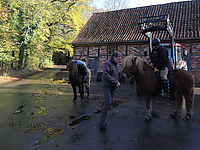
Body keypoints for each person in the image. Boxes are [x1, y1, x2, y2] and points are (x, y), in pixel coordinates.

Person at [99, 51, 122, 131]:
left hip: (112, 87)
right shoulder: (107, 63)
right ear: (114, 57)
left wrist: (116, 84)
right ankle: (102, 122)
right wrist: (115, 82)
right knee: (108, 102)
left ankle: (103, 118)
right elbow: (106, 74)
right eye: (118, 59)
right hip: (107, 86)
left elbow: (115, 75)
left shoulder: (116, 64)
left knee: (109, 103)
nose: (119, 60)